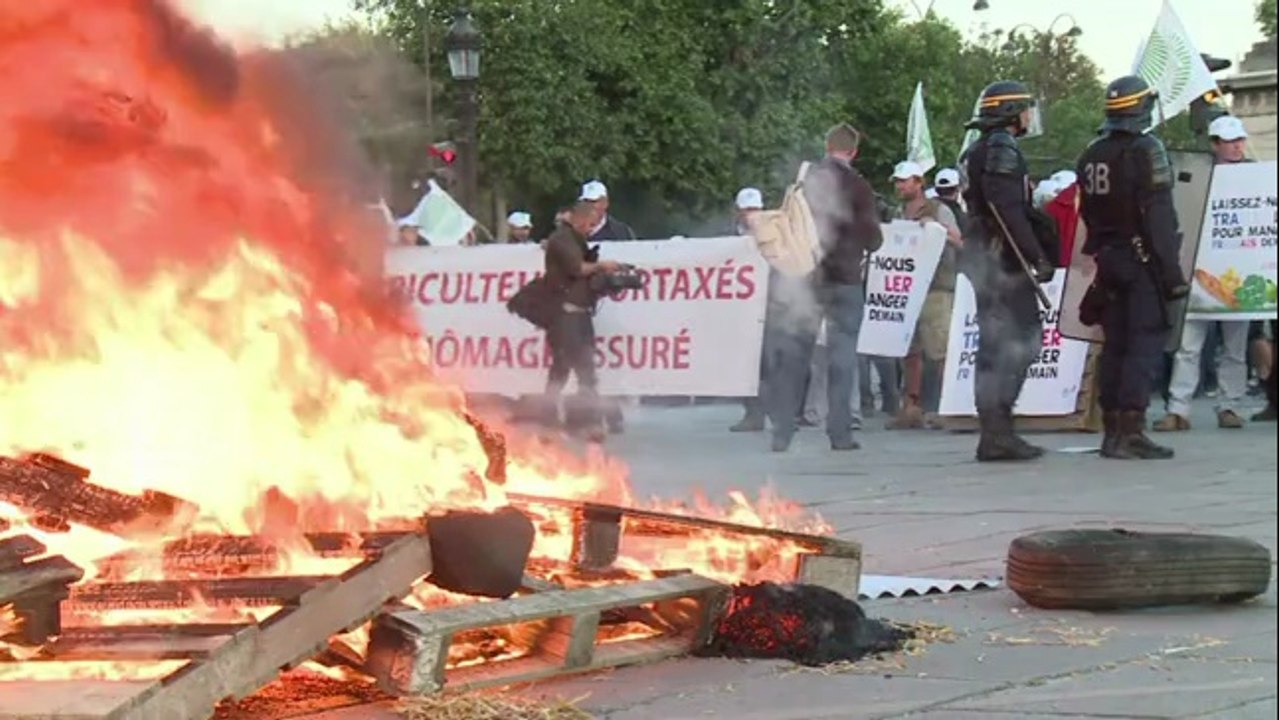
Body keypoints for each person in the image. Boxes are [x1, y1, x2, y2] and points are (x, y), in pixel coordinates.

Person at [1077, 75, 1190, 460]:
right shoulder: (1147, 149)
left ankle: (1112, 430)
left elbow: (1087, 213)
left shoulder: (1092, 153)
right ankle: (1131, 431)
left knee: (1116, 345)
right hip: (1142, 261)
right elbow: (1159, 216)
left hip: (1108, 258)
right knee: (1143, 344)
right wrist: (1172, 274)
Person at [768, 123, 883, 453]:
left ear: (827, 145)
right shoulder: (858, 186)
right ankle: (840, 433)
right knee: (842, 358)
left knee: (796, 356)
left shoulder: (804, 183)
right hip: (844, 279)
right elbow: (873, 238)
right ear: (853, 151)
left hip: (806, 279)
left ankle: (782, 432)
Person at [960, 80, 1057, 462]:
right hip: (1001, 259)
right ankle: (997, 431)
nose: (1029, 117)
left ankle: (996, 430)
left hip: (985, 256)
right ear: (1011, 113)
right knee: (1018, 342)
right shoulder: (1001, 146)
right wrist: (1036, 256)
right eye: (1025, 109)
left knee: (997, 344)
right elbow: (1007, 210)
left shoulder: (977, 149)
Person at [1154, 115, 1255, 433]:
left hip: (1238, 270)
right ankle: (1178, 408)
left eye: (1239, 140)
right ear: (1214, 145)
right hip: (1198, 268)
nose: (1237, 146)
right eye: (1229, 141)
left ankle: (1230, 405)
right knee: (1189, 343)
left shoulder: (1257, 176)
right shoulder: (1196, 176)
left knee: (1235, 346)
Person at [886, 161, 963, 431]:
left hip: (937, 288)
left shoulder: (938, 209)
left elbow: (959, 240)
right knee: (910, 352)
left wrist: (937, 229)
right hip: (908, 288)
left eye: (905, 181)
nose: (900, 186)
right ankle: (912, 408)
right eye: (898, 181)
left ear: (919, 182)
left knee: (939, 351)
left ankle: (946, 407)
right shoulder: (899, 212)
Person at [542, 201, 620, 442]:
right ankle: (564, 421)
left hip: (578, 313)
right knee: (572, 370)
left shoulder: (576, 240)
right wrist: (601, 265)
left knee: (570, 370)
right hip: (566, 316)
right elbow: (576, 268)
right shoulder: (563, 240)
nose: (591, 228)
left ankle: (570, 421)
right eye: (590, 223)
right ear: (579, 220)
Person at [730, 187, 774, 432]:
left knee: (772, 363)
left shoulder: (776, 235)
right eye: (746, 211)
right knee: (747, 364)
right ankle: (753, 413)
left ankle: (780, 415)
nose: (750, 216)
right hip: (741, 309)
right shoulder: (729, 240)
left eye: (755, 210)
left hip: (771, 305)